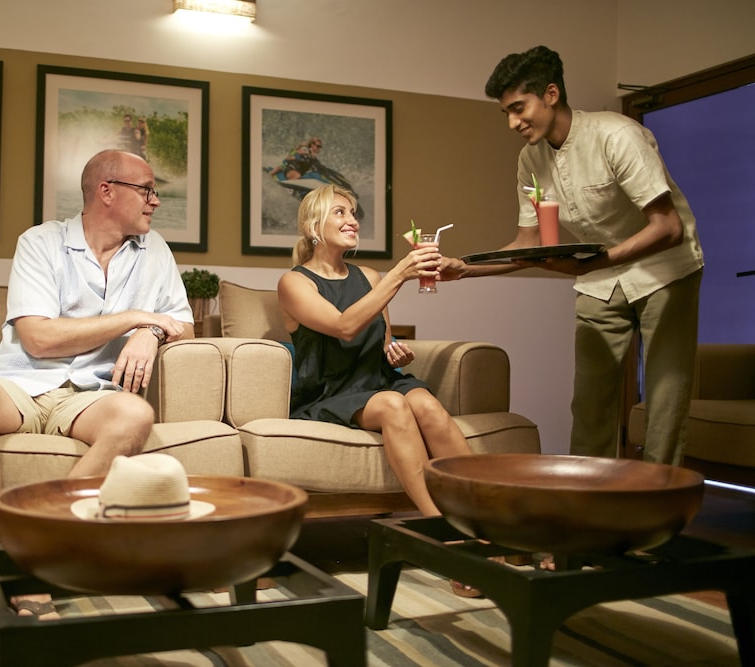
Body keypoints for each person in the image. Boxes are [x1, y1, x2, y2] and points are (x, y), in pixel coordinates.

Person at [0, 149, 193, 658]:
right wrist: (137, 318)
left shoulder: (155, 250)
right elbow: (38, 339)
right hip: (20, 383)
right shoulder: (41, 242)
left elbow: (182, 323)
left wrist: (149, 332)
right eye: (146, 189)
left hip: (90, 395)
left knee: (135, 414)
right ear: (107, 191)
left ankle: (30, 569)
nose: (155, 200)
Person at [440, 45, 704, 467]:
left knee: (664, 401)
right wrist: (463, 268)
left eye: (518, 108)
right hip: (600, 282)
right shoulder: (530, 160)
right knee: (590, 405)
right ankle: (589, 498)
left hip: (665, 271)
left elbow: (668, 227)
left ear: (551, 94)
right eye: (506, 112)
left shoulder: (618, 136)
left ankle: (656, 498)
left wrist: (597, 262)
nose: (512, 123)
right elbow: (528, 243)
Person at [277, 184, 473, 518]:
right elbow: (344, 326)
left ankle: (482, 512)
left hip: (378, 380)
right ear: (313, 227)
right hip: (331, 392)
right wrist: (399, 274)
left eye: (353, 213)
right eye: (340, 212)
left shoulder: (369, 277)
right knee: (393, 405)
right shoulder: (294, 283)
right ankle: (440, 522)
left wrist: (395, 353)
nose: (352, 220)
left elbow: (384, 342)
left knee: (427, 405)